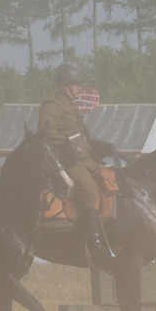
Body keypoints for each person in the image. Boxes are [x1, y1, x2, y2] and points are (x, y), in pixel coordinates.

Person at [39, 64, 115, 271]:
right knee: (90, 192)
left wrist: (102, 146)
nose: (79, 88)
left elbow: (84, 137)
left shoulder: (73, 107)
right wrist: (68, 143)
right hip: (65, 162)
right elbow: (45, 133)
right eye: (75, 84)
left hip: (84, 160)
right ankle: (95, 246)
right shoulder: (52, 106)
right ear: (64, 86)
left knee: (110, 183)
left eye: (79, 85)